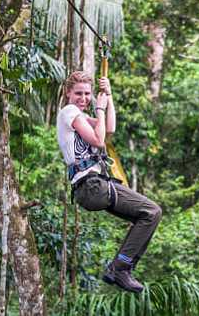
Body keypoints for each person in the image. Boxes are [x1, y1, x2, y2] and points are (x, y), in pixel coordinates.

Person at [56, 71, 162, 293]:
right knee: (152, 211)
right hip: (92, 186)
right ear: (68, 93)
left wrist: (109, 96)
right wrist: (100, 108)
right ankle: (119, 268)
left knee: (147, 216)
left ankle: (122, 267)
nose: (83, 98)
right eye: (78, 93)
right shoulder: (69, 112)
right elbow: (98, 140)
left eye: (87, 94)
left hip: (93, 187)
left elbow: (109, 129)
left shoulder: (80, 116)